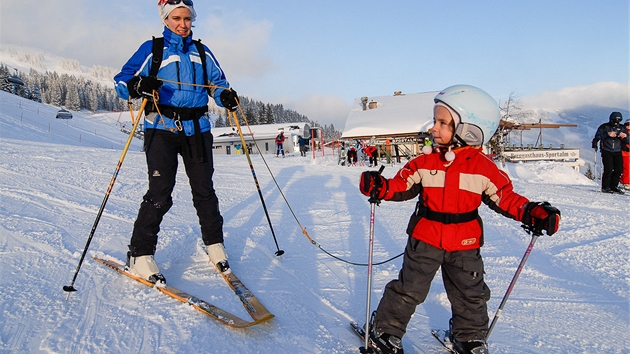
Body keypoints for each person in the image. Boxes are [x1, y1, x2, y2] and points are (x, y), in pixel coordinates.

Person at [359, 85, 561, 354]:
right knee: (410, 289)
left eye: (443, 123)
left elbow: (505, 197)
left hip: (465, 243)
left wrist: (531, 212)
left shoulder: (483, 168)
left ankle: (469, 336)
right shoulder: (425, 162)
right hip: (425, 239)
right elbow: (401, 186)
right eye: (435, 121)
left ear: (469, 129)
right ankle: (386, 329)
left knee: (470, 293)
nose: (434, 128)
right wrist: (381, 187)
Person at [113, 0, 239, 284]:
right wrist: (138, 85)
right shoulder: (153, 50)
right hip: (161, 128)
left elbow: (217, 84)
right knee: (160, 192)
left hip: (197, 129)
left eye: (187, 18)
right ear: (166, 19)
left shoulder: (202, 52)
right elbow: (121, 81)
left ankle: (214, 244)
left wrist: (225, 96)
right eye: (176, 18)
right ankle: (140, 253)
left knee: (204, 190)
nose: (183, 24)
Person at [591, 112, 628, 194]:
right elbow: (598, 136)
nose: (616, 123)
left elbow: (627, 139)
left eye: (618, 121)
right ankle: (605, 186)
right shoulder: (605, 127)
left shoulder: (621, 128)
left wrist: (624, 137)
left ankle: (614, 186)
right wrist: (607, 135)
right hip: (607, 150)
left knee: (619, 169)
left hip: (617, 150)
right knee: (608, 168)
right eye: (614, 121)